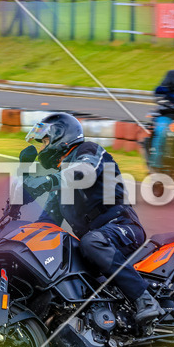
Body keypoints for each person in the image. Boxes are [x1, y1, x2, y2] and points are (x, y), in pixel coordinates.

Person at [20, 112, 163, 325]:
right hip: (97, 241)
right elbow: (44, 226)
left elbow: (83, 173)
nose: (42, 147)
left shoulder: (88, 151)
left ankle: (146, 299)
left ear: (61, 136)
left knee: (92, 242)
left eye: (46, 141)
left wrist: (47, 180)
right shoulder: (61, 188)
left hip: (122, 227)